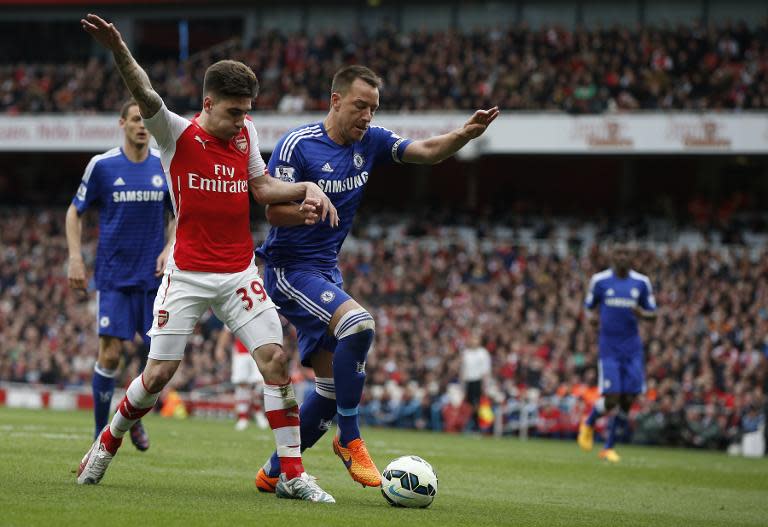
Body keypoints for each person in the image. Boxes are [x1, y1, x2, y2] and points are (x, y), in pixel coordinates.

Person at [76, 14, 337, 503]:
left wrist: (305, 186)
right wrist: (118, 49)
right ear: (208, 102)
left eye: (246, 112)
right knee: (156, 377)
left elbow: (261, 188)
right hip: (188, 274)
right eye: (234, 111)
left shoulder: (246, 134)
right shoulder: (174, 134)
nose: (241, 121)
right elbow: (145, 90)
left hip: (239, 270)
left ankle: (292, 474)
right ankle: (106, 443)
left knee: (276, 361)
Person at [253, 65, 498, 491]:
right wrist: (305, 209)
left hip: (326, 271)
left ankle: (272, 473)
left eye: (373, 108)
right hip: (289, 270)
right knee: (359, 323)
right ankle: (350, 439)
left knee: (328, 393)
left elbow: (425, 151)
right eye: (360, 106)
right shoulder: (298, 144)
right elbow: (272, 210)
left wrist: (463, 135)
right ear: (336, 101)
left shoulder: (372, 142)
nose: (367, 116)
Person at [66, 98, 175, 451]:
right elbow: (74, 212)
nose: (142, 125)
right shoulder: (103, 166)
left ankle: (132, 418)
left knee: (153, 359)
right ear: (122, 124)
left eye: (146, 120)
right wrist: (75, 258)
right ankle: (102, 435)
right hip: (113, 276)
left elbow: (178, 214)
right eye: (134, 119)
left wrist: (168, 248)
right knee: (110, 354)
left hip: (153, 278)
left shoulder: (164, 164)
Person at [577, 244, 657, 462]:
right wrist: (591, 319)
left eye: (626, 253)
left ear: (631, 257)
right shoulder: (600, 281)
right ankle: (590, 422)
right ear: (612, 256)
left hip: (632, 348)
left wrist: (642, 313)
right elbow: (588, 307)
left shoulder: (641, 283)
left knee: (629, 398)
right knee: (612, 398)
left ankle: (609, 447)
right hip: (609, 348)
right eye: (618, 253)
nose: (622, 257)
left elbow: (653, 314)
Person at [216, 328, 268, 431]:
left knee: (258, 383)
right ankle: (243, 417)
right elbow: (226, 330)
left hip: (258, 350)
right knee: (241, 383)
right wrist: (220, 348)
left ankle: (258, 412)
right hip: (240, 352)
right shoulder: (234, 311)